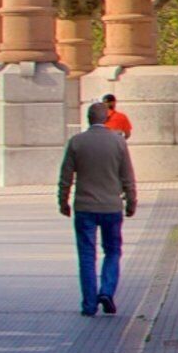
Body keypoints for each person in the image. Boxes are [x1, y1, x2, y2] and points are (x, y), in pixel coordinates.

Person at [55, 99, 138, 316]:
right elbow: (127, 175)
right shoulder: (118, 142)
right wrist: (131, 201)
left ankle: (89, 304)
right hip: (111, 207)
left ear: (88, 119)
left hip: (85, 207)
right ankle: (107, 291)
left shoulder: (76, 142)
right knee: (112, 251)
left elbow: (66, 176)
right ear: (106, 118)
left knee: (86, 255)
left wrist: (62, 201)